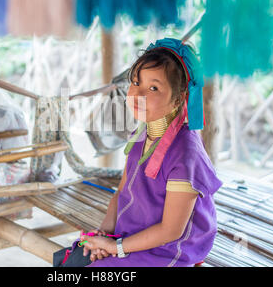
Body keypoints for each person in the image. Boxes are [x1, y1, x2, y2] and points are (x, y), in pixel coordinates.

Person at [77, 38, 223, 267]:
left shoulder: (186, 156)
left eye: (153, 88)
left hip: (168, 249)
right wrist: (103, 235)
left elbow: (171, 230)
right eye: (136, 82)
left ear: (178, 97)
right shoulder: (141, 134)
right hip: (133, 235)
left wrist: (116, 248)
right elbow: (121, 192)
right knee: (73, 261)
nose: (138, 93)